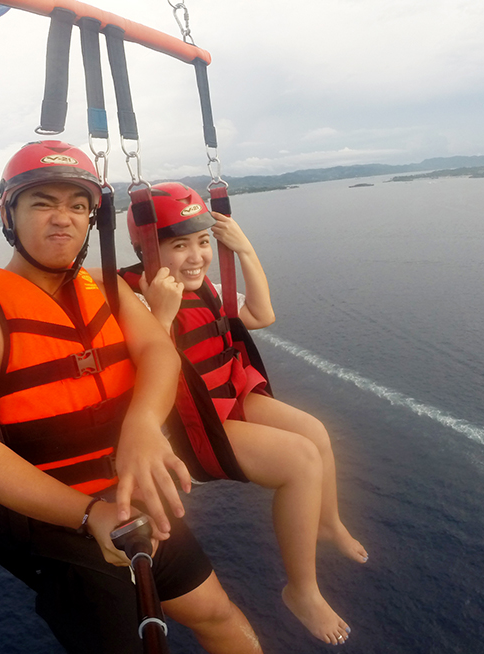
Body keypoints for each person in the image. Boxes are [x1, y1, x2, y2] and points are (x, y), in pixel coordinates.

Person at [0, 143, 262, 654]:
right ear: (9, 213)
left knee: (218, 616)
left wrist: (142, 427)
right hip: (58, 528)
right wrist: (89, 515)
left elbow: (160, 354)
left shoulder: (108, 290)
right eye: (43, 203)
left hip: (135, 500)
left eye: (79, 206)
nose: (63, 219)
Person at [121, 182, 367, 646]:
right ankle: (302, 590)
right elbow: (143, 367)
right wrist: (162, 315)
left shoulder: (206, 288)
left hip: (230, 393)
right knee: (299, 460)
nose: (196, 257)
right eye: (179, 245)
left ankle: (328, 523)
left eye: (203, 243)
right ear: (147, 250)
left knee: (315, 432)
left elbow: (262, 314)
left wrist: (246, 251)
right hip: (198, 423)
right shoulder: (137, 301)